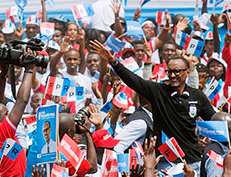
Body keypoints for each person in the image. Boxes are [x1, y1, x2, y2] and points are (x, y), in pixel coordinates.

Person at [90, 38, 216, 169]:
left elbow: (214, 121)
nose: (172, 75)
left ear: (187, 72)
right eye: (170, 71)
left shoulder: (198, 96)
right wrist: (113, 61)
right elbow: (134, 81)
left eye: (177, 71)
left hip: (192, 162)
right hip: (165, 163)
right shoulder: (159, 91)